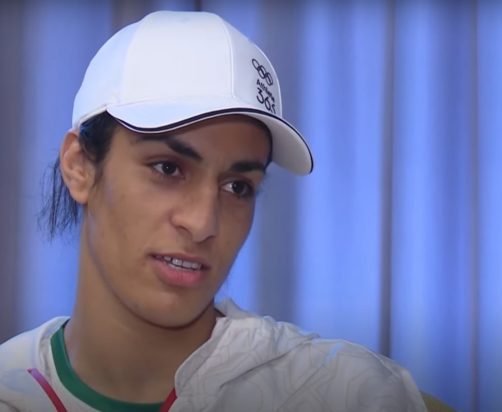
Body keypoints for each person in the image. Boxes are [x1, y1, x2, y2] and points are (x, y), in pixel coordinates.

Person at [0, 10, 427, 412]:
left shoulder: (343, 393)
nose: (203, 222)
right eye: (168, 168)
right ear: (79, 167)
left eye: (238, 186)